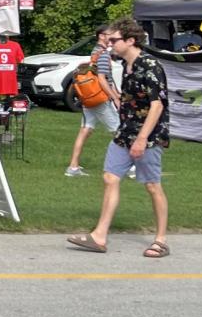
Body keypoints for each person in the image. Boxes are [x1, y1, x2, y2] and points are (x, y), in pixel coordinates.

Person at [67, 18, 171, 257]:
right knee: (110, 177)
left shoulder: (150, 65)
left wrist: (142, 139)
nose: (109, 44)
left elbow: (157, 106)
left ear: (130, 40)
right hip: (126, 131)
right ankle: (99, 236)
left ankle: (161, 240)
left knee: (152, 185)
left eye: (114, 40)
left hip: (149, 135)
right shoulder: (127, 65)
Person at [65, 25, 121, 177]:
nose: (113, 37)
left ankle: (73, 167)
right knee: (119, 131)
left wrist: (116, 92)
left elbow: (105, 77)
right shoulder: (102, 54)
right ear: (101, 36)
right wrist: (115, 97)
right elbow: (102, 80)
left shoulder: (96, 52)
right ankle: (130, 167)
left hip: (89, 98)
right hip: (100, 99)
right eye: (110, 34)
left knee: (86, 129)